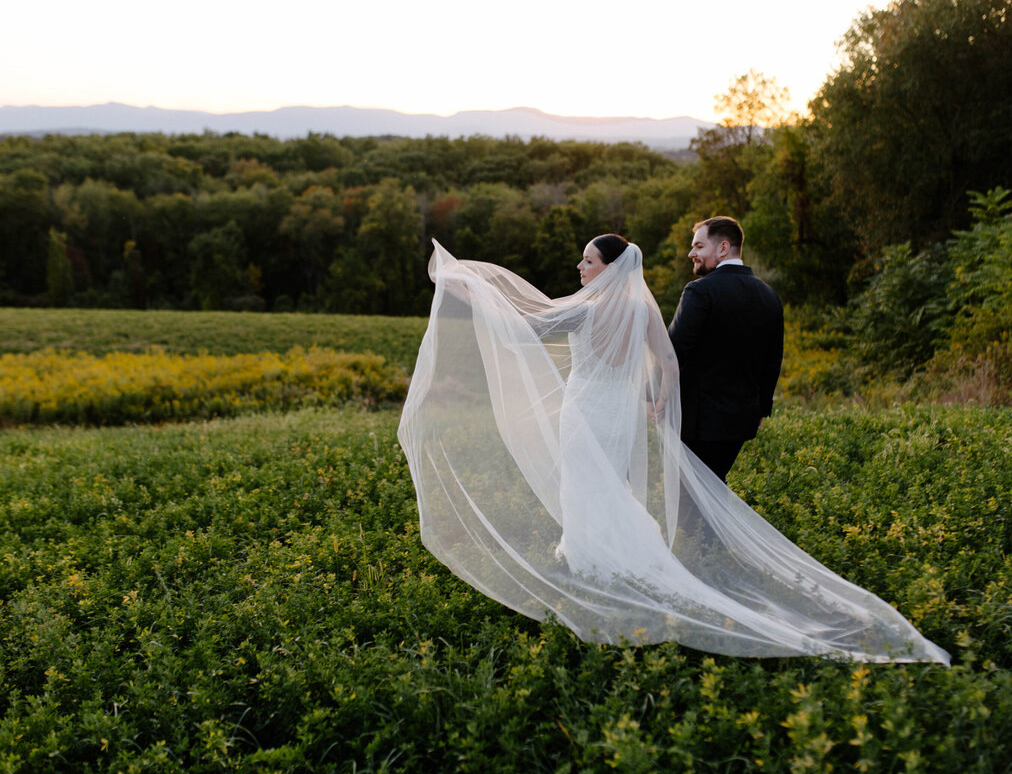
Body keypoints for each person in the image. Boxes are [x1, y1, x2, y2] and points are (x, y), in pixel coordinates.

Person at [397, 235, 948, 664]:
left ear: (608, 268)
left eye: (588, 262)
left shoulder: (587, 310)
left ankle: (593, 559)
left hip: (585, 410)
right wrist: (661, 401)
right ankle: (591, 553)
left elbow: (526, 329)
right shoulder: (641, 309)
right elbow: (669, 361)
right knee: (605, 481)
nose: (581, 270)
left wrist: (472, 292)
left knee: (583, 484)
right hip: (618, 416)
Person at [668, 217, 783, 482]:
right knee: (712, 489)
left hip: (698, 421)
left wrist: (654, 398)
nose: (691, 253)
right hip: (741, 421)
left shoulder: (699, 291)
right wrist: (761, 409)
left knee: (692, 499)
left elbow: (673, 352)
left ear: (723, 248)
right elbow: (772, 360)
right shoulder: (769, 295)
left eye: (698, 246)